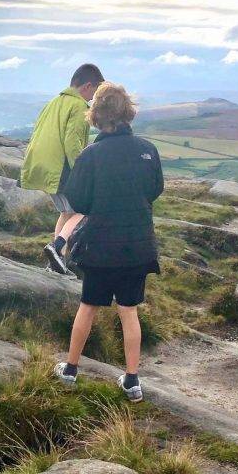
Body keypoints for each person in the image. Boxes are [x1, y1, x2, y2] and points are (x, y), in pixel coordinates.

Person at [51, 82, 163, 402]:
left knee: (88, 306)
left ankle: (70, 370)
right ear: (127, 112)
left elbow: (78, 201)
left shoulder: (92, 154)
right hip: (137, 244)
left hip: (99, 246)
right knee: (129, 311)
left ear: (97, 115)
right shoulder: (148, 150)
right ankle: (132, 380)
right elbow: (155, 190)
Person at [19, 63, 104, 275]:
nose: (92, 98)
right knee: (84, 209)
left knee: (67, 211)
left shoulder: (54, 102)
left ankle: (57, 261)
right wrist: (83, 173)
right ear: (87, 86)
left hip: (43, 165)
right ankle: (56, 248)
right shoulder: (79, 107)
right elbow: (73, 144)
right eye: (94, 92)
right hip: (61, 167)